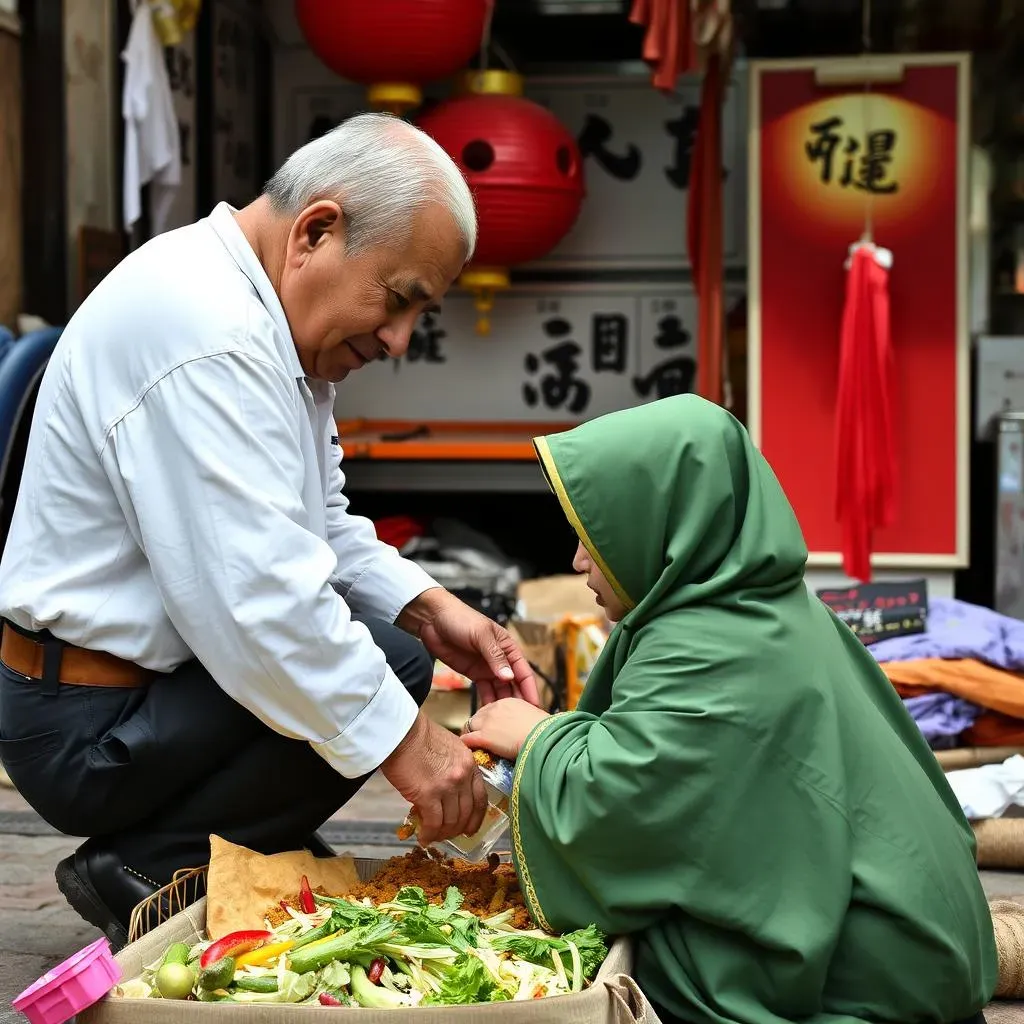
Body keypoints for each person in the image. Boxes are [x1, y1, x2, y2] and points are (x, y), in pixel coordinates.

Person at [0, 113, 537, 948]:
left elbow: (315, 524)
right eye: (399, 302)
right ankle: (159, 860)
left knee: (399, 648)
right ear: (316, 231)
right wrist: (419, 750)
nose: (398, 340)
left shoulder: (266, 321)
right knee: (374, 672)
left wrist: (433, 606)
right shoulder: (204, 330)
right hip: (84, 723)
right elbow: (260, 604)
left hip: (145, 692)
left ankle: (231, 843)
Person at [462, 395, 997, 1024]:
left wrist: (536, 739)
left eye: (592, 536)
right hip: (910, 938)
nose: (578, 559)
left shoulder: (705, 642)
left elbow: (622, 812)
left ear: (663, 523)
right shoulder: (764, 612)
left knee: (594, 967)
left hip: (871, 973)